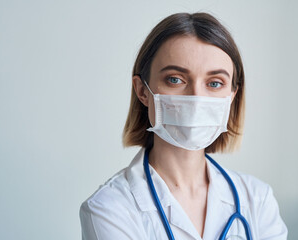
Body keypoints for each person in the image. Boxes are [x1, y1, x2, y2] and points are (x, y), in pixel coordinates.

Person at [79, 12, 288, 240]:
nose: (196, 98)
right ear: (142, 91)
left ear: (231, 96)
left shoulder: (257, 199)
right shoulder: (108, 209)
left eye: (215, 83)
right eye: (175, 79)